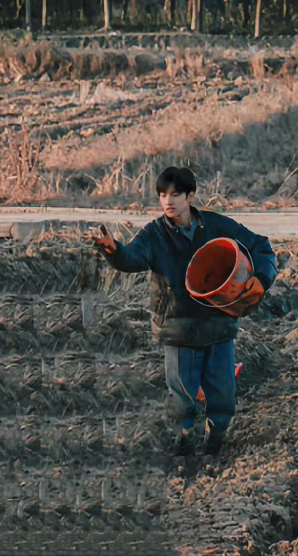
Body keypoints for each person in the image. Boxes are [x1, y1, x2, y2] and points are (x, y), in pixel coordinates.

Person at [88, 165, 277, 459]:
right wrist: (113, 250)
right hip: (178, 327)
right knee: (183, 397)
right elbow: (133, 258)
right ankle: (184, 442)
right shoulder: (154, 234)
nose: (168, 201)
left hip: (218, 324)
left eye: (175, 194)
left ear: (190, 196)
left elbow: (261, 246)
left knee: (223, 393)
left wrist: (262, 279)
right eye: (162, 195)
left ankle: (216, 439)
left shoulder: (216, 226)